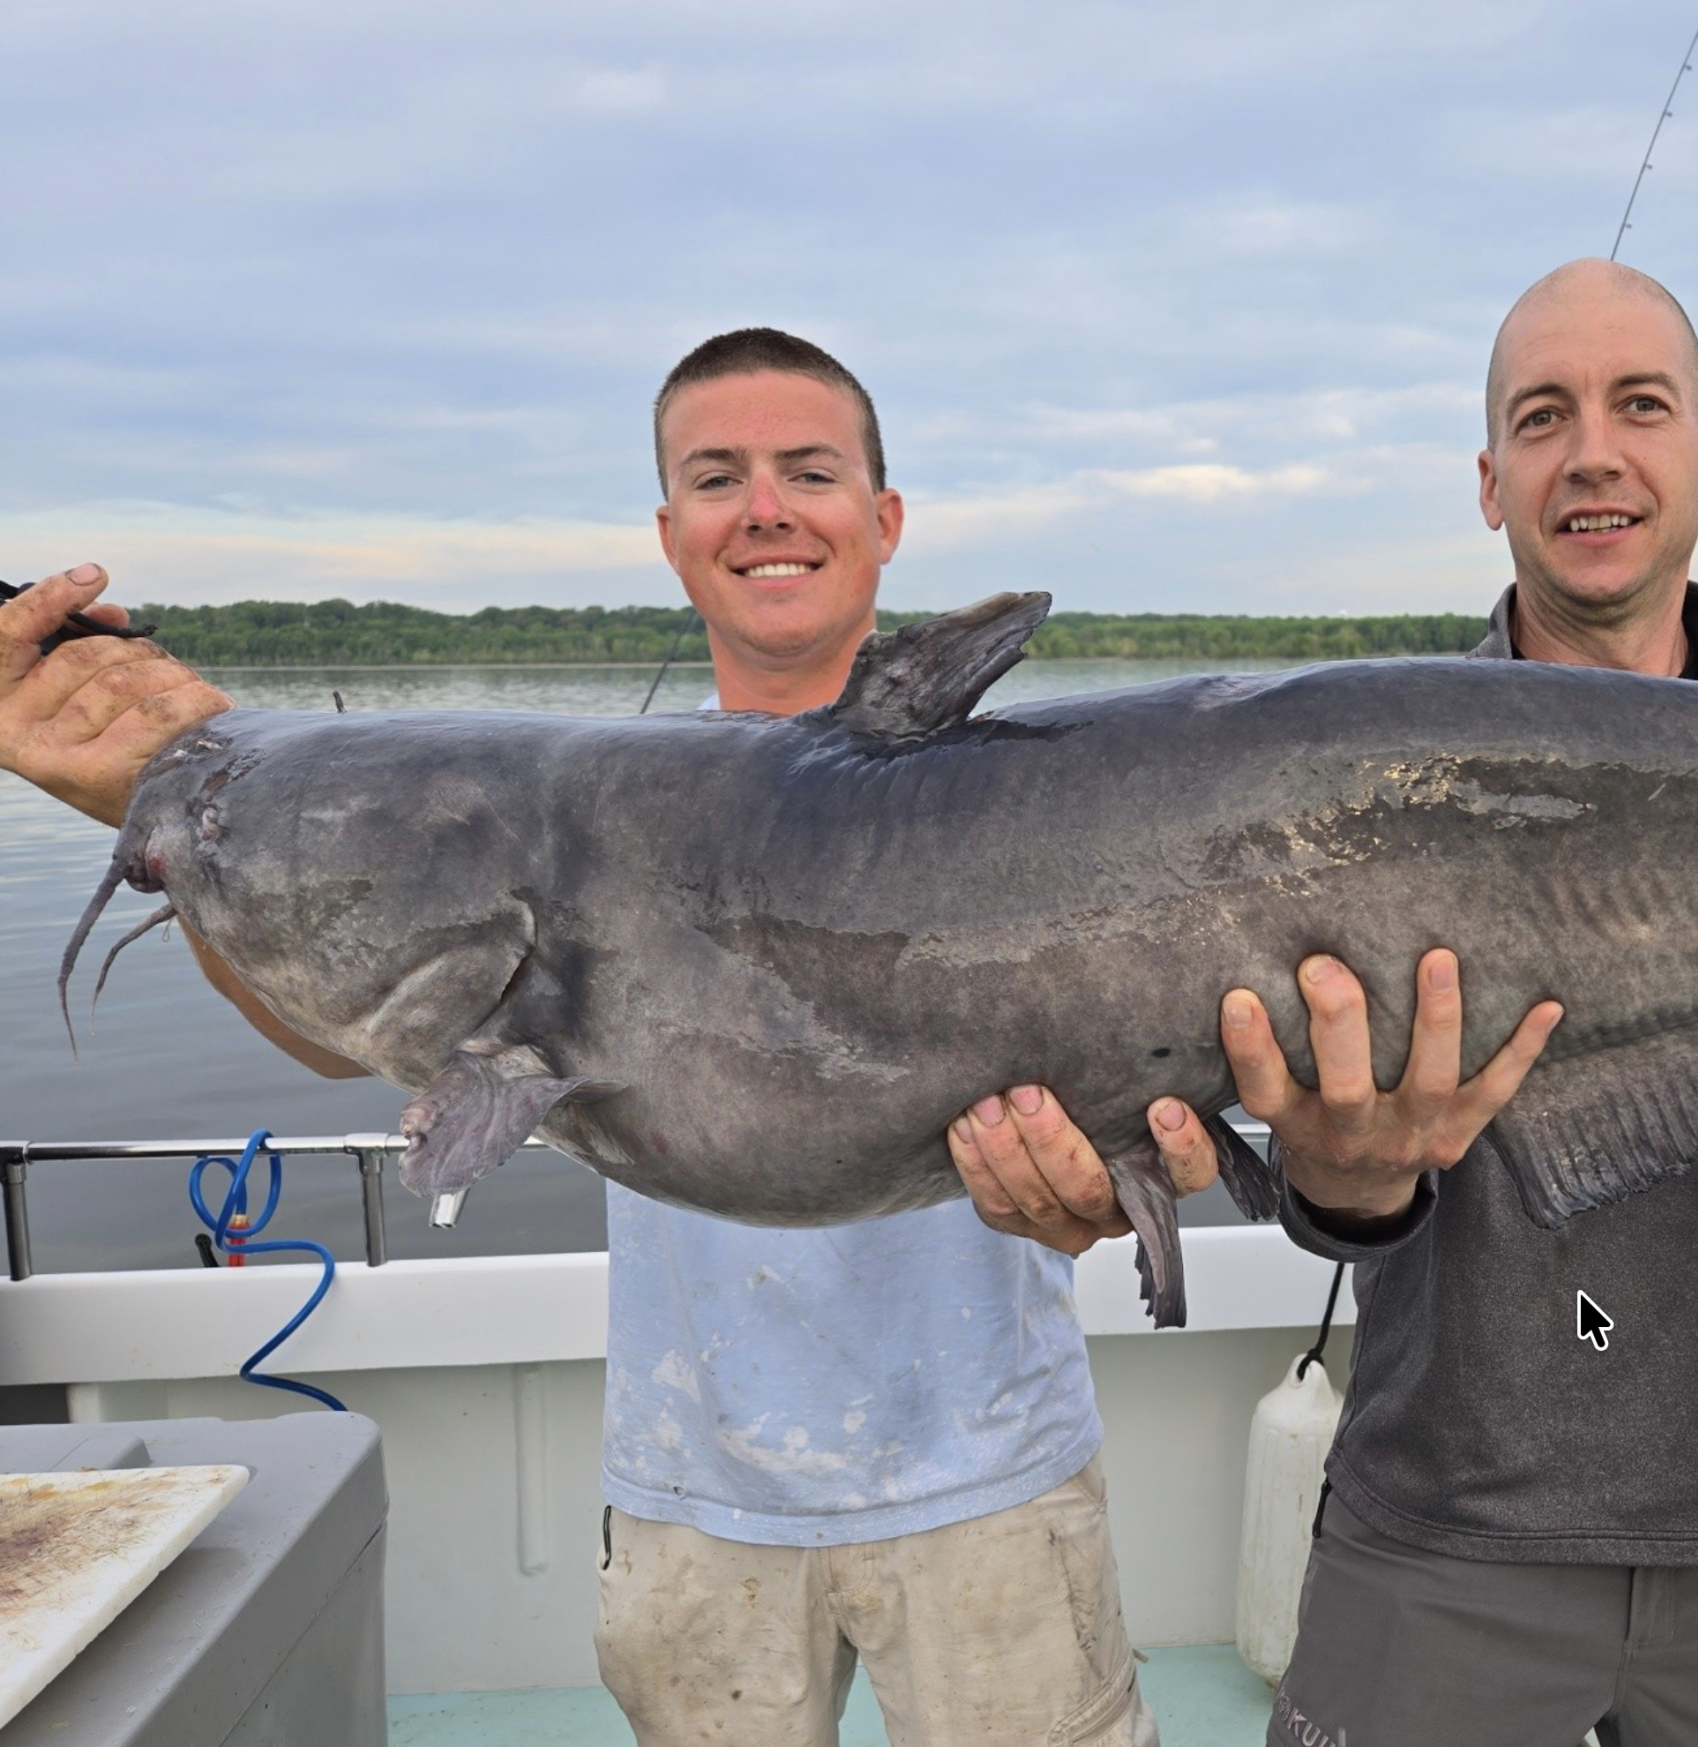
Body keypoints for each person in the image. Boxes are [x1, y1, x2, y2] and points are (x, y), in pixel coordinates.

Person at [954, 259, 1698, 1747]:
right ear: (1490, 478)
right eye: (1543, 415)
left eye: (1640, 405)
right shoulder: (1336, 783)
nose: (1592, 449)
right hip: (1440, 1515)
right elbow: (1329, 1200)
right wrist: (1351, 1172)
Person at [0, 327, 1206, 1747]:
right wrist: (201, 849)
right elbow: (352, 1035)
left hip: (996, 1475)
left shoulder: (1041, 798)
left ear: (884, 520)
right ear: (669, 530)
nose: (763, 506)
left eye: (808, 470)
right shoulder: (555, 802)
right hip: (691, 1498)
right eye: (717, 475)